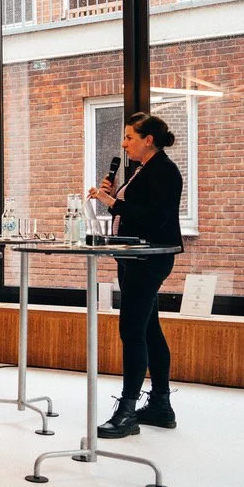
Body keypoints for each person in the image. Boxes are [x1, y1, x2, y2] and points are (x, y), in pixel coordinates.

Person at [87, 112, 184, 439]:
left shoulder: (165, 171)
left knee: (131, 329)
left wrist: (113, 201)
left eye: (130, 137)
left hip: (149, 259)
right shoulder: (142, 170)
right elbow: (133, 213)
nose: (124, 143)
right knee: (148, 328)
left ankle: (127, 411)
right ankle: (160, 405)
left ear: (149, 140)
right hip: (133, 257)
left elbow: (156, 219)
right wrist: (113, 197)